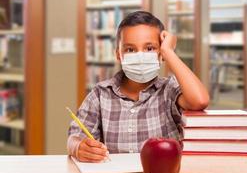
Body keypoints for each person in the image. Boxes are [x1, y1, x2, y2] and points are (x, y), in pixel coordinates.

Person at [67, 11, 209, 162]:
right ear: (118, 55)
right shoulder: (100, 94)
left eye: (149, 48)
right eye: (130, 49)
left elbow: (199, 101)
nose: (140, 56)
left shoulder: (169, 89)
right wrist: (78, 147)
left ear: (160, 53)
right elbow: (74, 136)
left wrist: (169, 52)